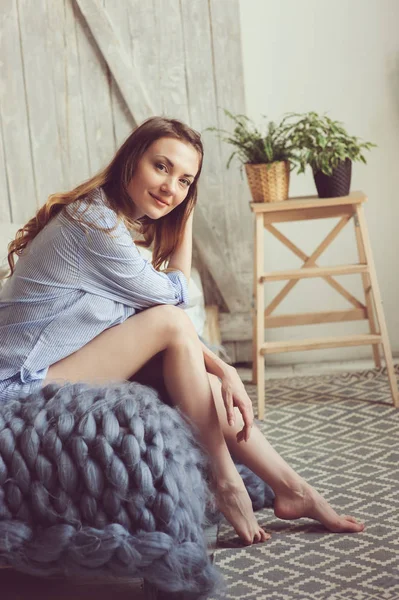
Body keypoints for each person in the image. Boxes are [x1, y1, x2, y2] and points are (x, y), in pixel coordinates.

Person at [0, 116, 364, 545]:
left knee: (199, 376)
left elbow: (155, 313)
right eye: (162, 166)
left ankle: (293, 489)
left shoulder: (107, 218)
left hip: (46, 365)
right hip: (15, 381)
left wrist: (220, 369)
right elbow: (173, 301)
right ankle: (228, 481)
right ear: (131, 161)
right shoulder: (93, 227)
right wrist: (226, 368)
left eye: (186, 181)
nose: (171, 186)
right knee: (175, 330)